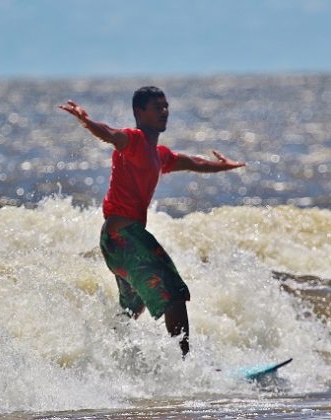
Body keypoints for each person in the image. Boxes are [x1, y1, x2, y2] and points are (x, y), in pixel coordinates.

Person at [59, 86, 244, 356]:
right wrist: (87, 123)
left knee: (132, 307)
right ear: (139, 112)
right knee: (174, 292)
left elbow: (191, 161)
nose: (164, 111)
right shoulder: (133, 141)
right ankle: (184, 364)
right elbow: (110, 133)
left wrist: (221, 166)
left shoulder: (159, 155)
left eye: (166, 106)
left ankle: (107, 358)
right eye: (157, 107)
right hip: (126, 237)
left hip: (114, 241)